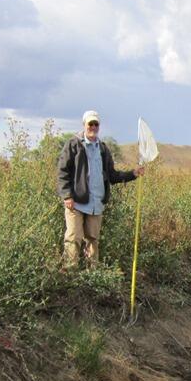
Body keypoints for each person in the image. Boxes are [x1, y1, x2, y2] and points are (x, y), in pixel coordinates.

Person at [56, 109, 144, 267]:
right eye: (90, 124)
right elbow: (62, 171)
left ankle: (93, 274)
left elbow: (112, 175)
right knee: (73, 237)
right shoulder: (73, 144)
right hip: (76, 202)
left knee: (93, 239)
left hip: (96, 202)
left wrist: (133, 174)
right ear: (84, 125)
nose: (93, 127)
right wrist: (67, 196)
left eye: (96, 124)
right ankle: (70, 273)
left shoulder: (103, 149)